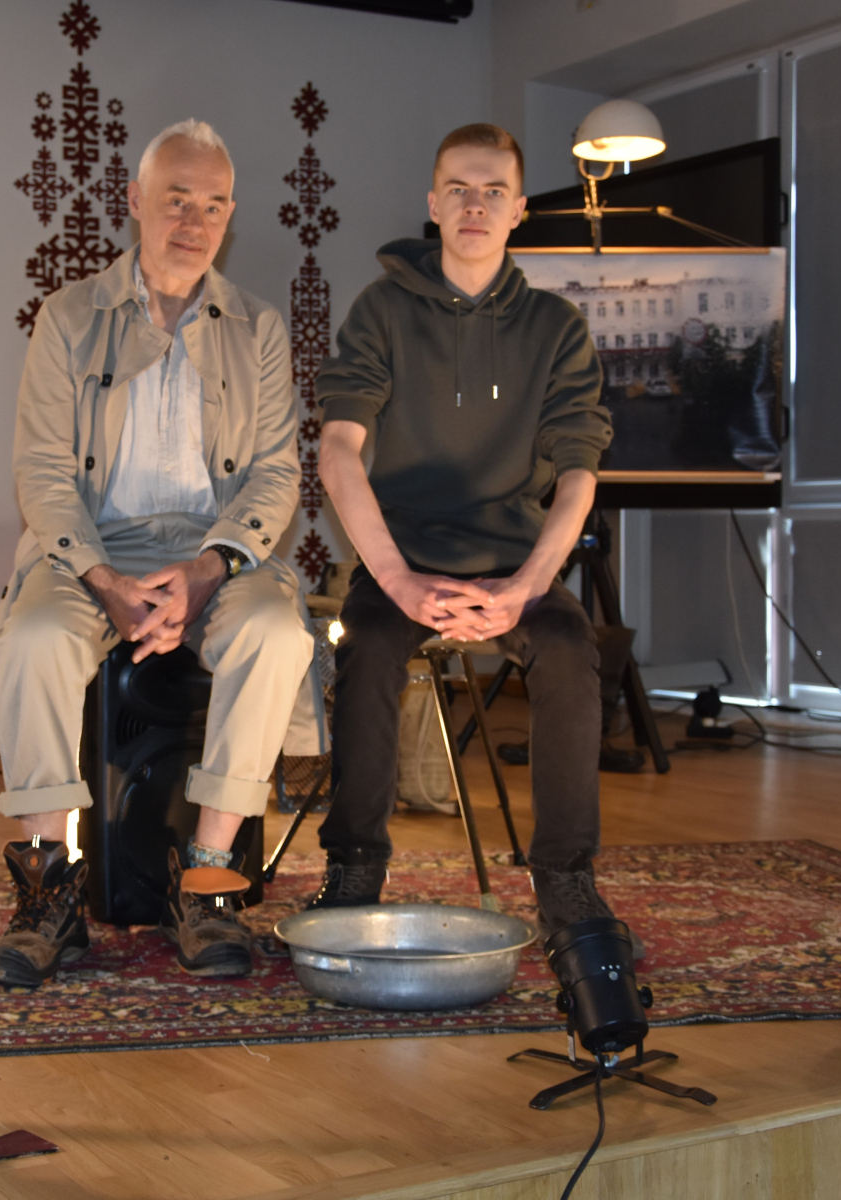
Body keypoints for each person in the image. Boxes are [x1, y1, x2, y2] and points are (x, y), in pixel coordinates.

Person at [0, 120, 317, 987]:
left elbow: (275, 474)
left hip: (214, 550)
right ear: (135, 201)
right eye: (176, 200)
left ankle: (206, 881)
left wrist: (209, 570)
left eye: (213, 205)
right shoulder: (68, 317)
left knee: (277, 632)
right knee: (33, 636)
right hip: (91, 548)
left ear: (230, 216)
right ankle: (48, 890)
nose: (193, 222)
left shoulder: (258, 327)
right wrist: (101, 578)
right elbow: (42, 469)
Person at [310, 123, 618, 943]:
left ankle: (566, 881)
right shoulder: (382, 310)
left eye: (492, 192)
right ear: (433, 205)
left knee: (570, 649)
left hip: (515, 561)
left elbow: (579, 473)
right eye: (458, 190)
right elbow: (338, 451)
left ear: (519, 210)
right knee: (369, 645)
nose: (474, 206)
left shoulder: (556, 326)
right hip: (402, 558)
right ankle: (354, 869)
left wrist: (526, 587)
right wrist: (398, 580)